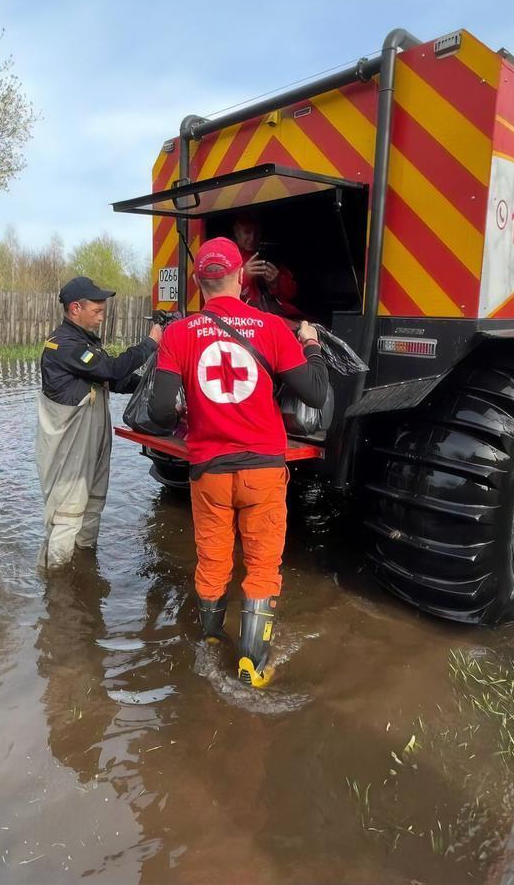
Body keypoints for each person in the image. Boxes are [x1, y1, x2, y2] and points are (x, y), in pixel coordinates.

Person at [147, 237, 327, 688]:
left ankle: (209, 640)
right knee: (263, 564)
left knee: (212, 558)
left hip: (210, 471)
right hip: (263, 470)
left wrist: (189, 407)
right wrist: (311, 345)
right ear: (240, 276)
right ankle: (253, 663)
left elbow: (159, 412)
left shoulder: (177, 334)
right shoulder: (271, 328)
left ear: (197, 281)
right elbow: (315, 393)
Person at [36, 275, 162, 568]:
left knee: (92, 504)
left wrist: (151, 386)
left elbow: (115, 380)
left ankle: (82, 570)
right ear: (75, 308)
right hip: (70, 448)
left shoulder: (83, 342)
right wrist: (150, 343)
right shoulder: (63, 345)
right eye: (97, 310)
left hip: (90, 443)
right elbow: (110, 368)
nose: (102, 317)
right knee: (67, 514)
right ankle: (57, 586)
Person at [230, 213, 303, 318]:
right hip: (243, 317)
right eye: (247, 232)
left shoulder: (269, 256)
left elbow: (291, 293)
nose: (252, 238)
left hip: (276, 316)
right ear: (236, 232)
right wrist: (244, 276)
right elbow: (219, 291)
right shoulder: (229, 256)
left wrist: (276, 283)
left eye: (257, 233)